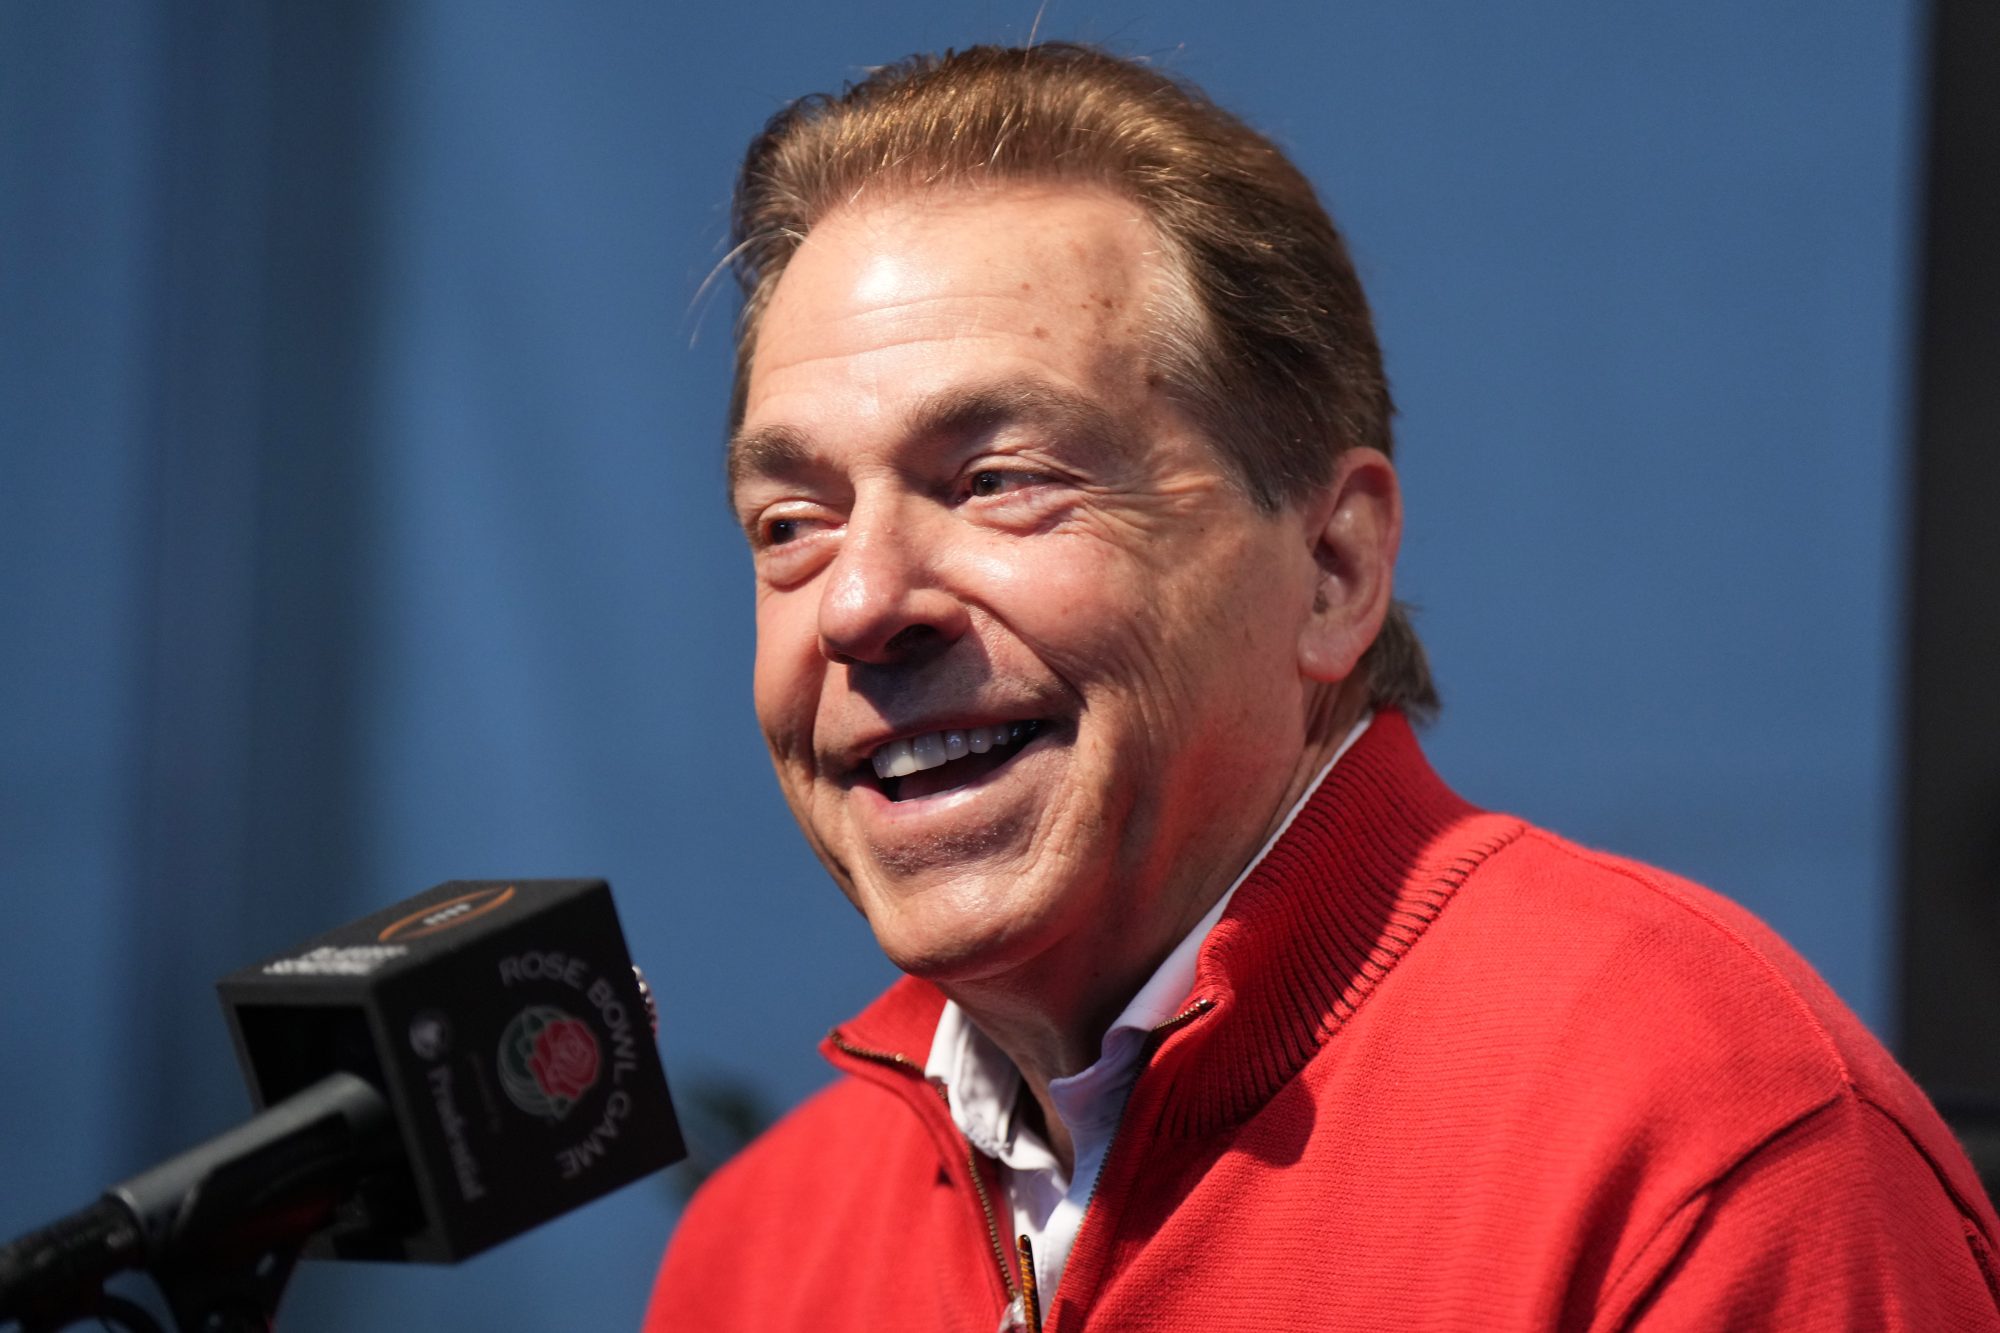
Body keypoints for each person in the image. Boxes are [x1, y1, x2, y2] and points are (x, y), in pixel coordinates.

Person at [647, 43, 2000, 1332]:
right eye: (791, 522)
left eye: (1000, 480)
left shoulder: (1704, 1146)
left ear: (1335, 566)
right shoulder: (757, 1247)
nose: (862, 599)